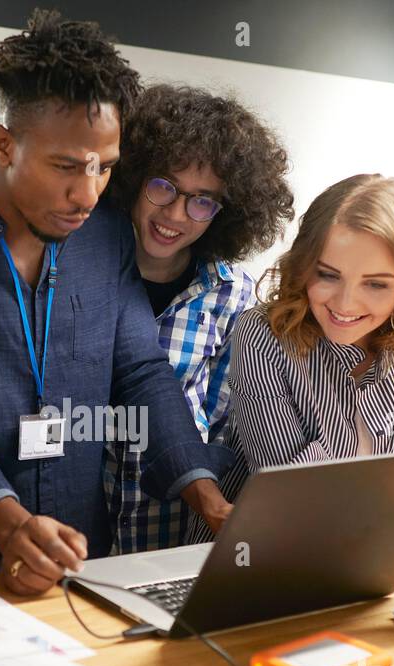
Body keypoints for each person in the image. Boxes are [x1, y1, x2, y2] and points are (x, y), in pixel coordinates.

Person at [0, 9, 232, 594]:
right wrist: (9, 522)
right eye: (66, 167)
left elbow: (141, 372)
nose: (88, 194)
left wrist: (207, 495)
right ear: (4, 145)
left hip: (80, 560)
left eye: (104, 169)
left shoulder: (107, 234)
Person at [102, 83, 294, 552]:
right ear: (133, 176)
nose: (176, 213)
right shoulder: (79, 270)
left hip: (175, 532)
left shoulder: (232, 296)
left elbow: (220, 425)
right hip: (79, 529)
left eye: (202, 200)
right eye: (163, 186)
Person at [229, 174, 394, 472]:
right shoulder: (262, 335)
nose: (345, 304)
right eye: (328, 275)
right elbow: (289, 494)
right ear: (303, 267)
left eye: (376, 285)